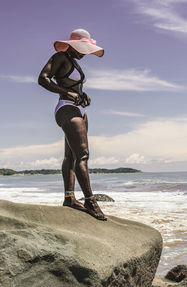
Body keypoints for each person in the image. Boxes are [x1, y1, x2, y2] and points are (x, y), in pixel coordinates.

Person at [38, 28, 107, 221]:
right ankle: (90, 201)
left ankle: (69, 198)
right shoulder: (60, 56)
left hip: (80, 110)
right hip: (66, 109)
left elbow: (73, 84)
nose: (85, 53)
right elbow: (42, 79)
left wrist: (82, 94)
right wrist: (68, 93)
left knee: (71, 156)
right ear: (75, 45)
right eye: (83, 49)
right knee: (83, 155)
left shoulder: (74, 62)